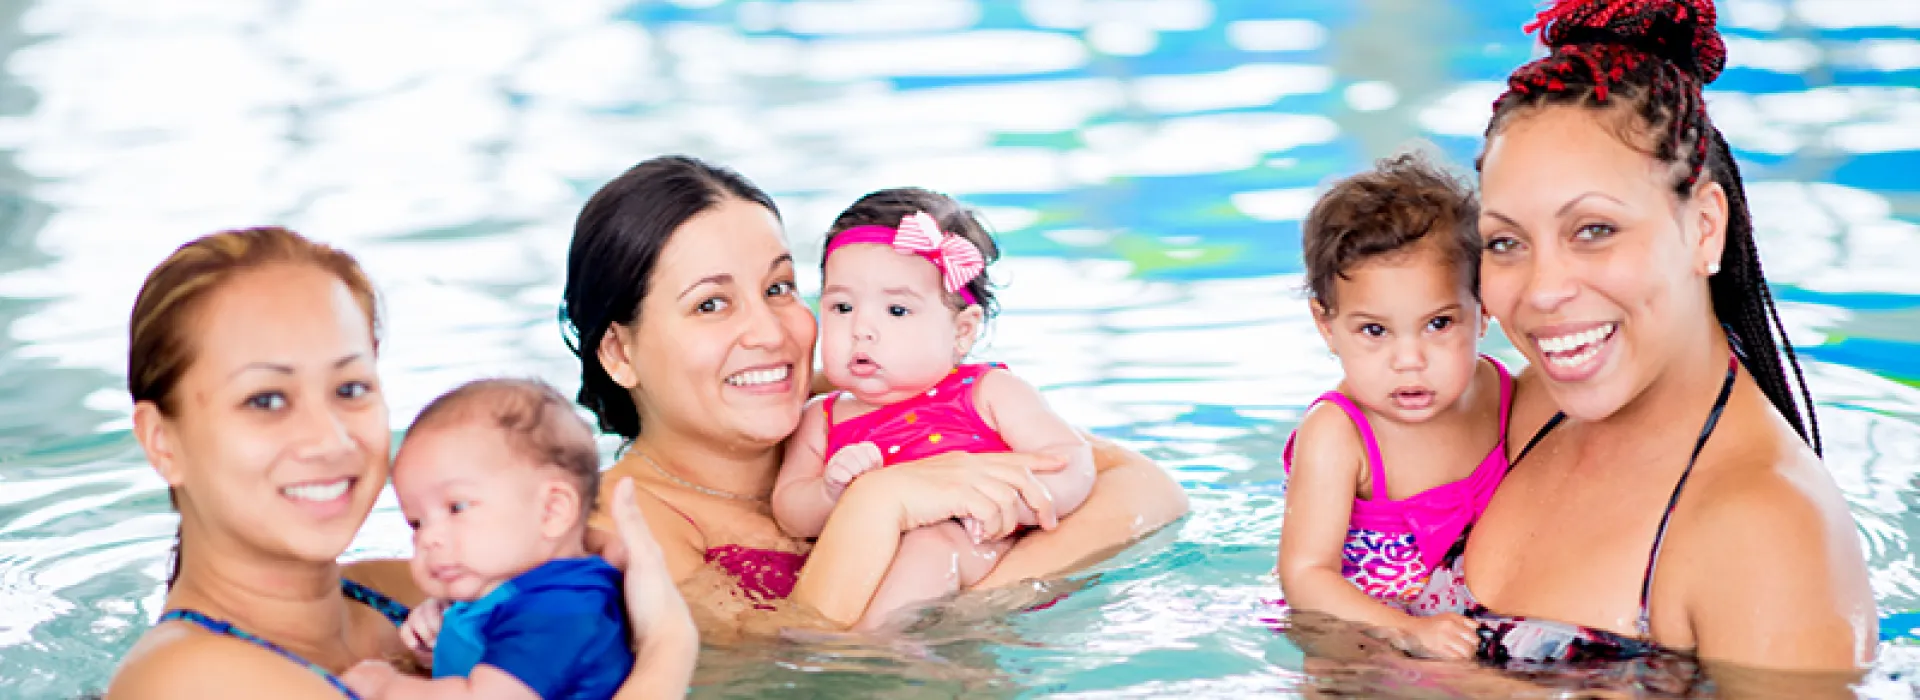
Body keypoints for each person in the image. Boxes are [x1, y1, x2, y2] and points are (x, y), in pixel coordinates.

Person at [1407, 0, 1876, 674]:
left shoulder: (1766, 535)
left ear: (1704, 227)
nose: (1541, 291)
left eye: (1593, 230)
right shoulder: (1520, 412)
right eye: (1507, 242)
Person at [556, 155, 1189, 632]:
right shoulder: (620, 529)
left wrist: (977, 587)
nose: (769, 333)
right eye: (712, 304)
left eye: (778, 289)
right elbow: (789, 669)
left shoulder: (852, 398)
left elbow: (1148, 489)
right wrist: (879, 503)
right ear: (620, 351)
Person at [105, 227, 696, 700]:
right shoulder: (183, 681)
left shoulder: (410, 586)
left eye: (350, 388)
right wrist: (668, 650)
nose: (330, 439)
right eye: (266, 400)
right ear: (162, 442)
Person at [772, 188, 1097, 630]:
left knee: (931, 546)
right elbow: (790, 511)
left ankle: (883, 657)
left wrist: (1008, 504)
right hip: (862, 580)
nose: (862, 329)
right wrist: (831, 493)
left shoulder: (988, 393)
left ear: (961, 332)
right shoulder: (821, 418)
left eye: (897, 310)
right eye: (842, 307)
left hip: (977, 558)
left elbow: (1069, 459)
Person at [1275, 151, 1507, 660]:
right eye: (1375, 331)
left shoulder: (1504, 395)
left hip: (1467, 625)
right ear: (1326, 325)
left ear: (1483, 307)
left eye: (1439, 324)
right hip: (1359, 634)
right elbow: (1306, 578)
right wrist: (1404, 630)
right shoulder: (1339, 435)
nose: (1410, 361)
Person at [340, 379, 633, 699]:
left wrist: (388, 688)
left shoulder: (564, 607)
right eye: (416, 523)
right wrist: (446, 639)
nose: (428, 539)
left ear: (552, 511)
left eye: (457, 507)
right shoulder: (512, 596)